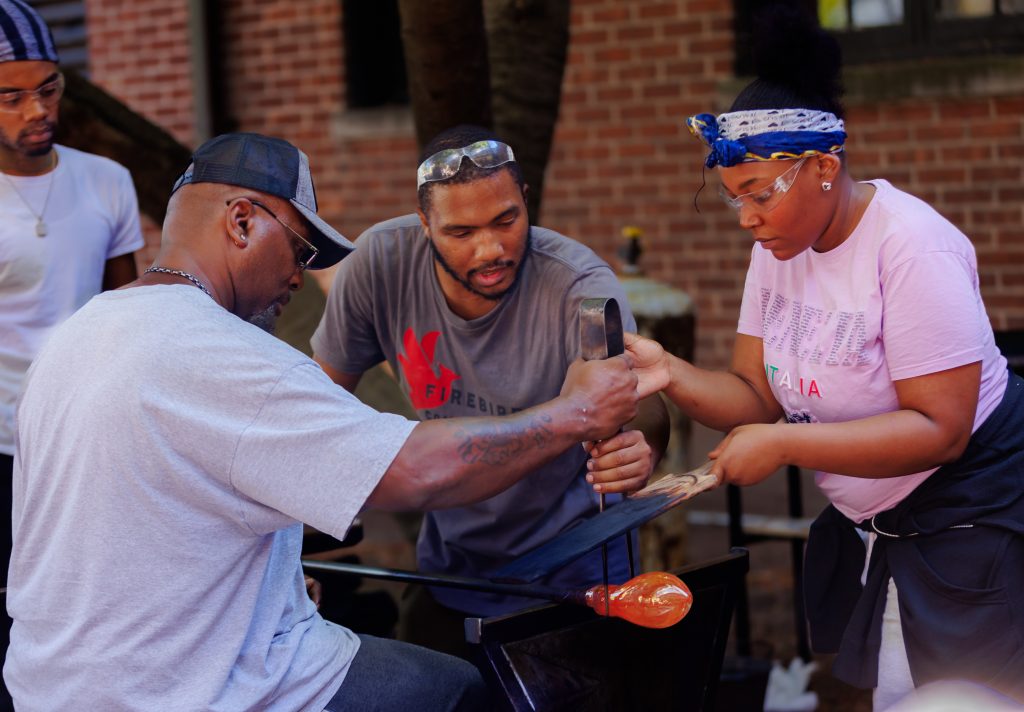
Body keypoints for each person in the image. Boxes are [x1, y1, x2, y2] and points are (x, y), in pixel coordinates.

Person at [6, 132, 645, 711]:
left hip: (51, 685)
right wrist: (573, 413)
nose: (300, 275)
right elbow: (417, 472)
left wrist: (268, 584)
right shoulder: (232, 356)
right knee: (458, 692)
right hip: (187, 688)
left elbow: (140, 520)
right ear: (240, 222)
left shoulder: (75, 337)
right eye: (299, 247)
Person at [625, 8, 1024, 709]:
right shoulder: (777, 249)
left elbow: (942, 429)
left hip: (971, 526)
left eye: (758, 195)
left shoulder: (910, 248)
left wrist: (784, 445)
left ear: (823, 168)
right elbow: (757, 392)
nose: (746, 218)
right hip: (889, 529)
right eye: (732, 200)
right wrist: (672, 375)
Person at [311, 124, 669, 656]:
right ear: (424, 226)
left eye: (507, 220)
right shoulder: (378, 265)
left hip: (575, 574)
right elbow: (317, 409)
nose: (490, 249)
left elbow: (643, 409)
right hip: (451, 568)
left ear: (526, 201)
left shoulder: (579, 288)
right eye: (461, 232)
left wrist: (641, 449)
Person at [0, 2, 142, 707]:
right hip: (2, 451)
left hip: (89, 443)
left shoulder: (106, 181)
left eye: (49, 89)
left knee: (92, 618)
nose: (37, 110)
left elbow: (132, 313)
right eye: (13, 96)